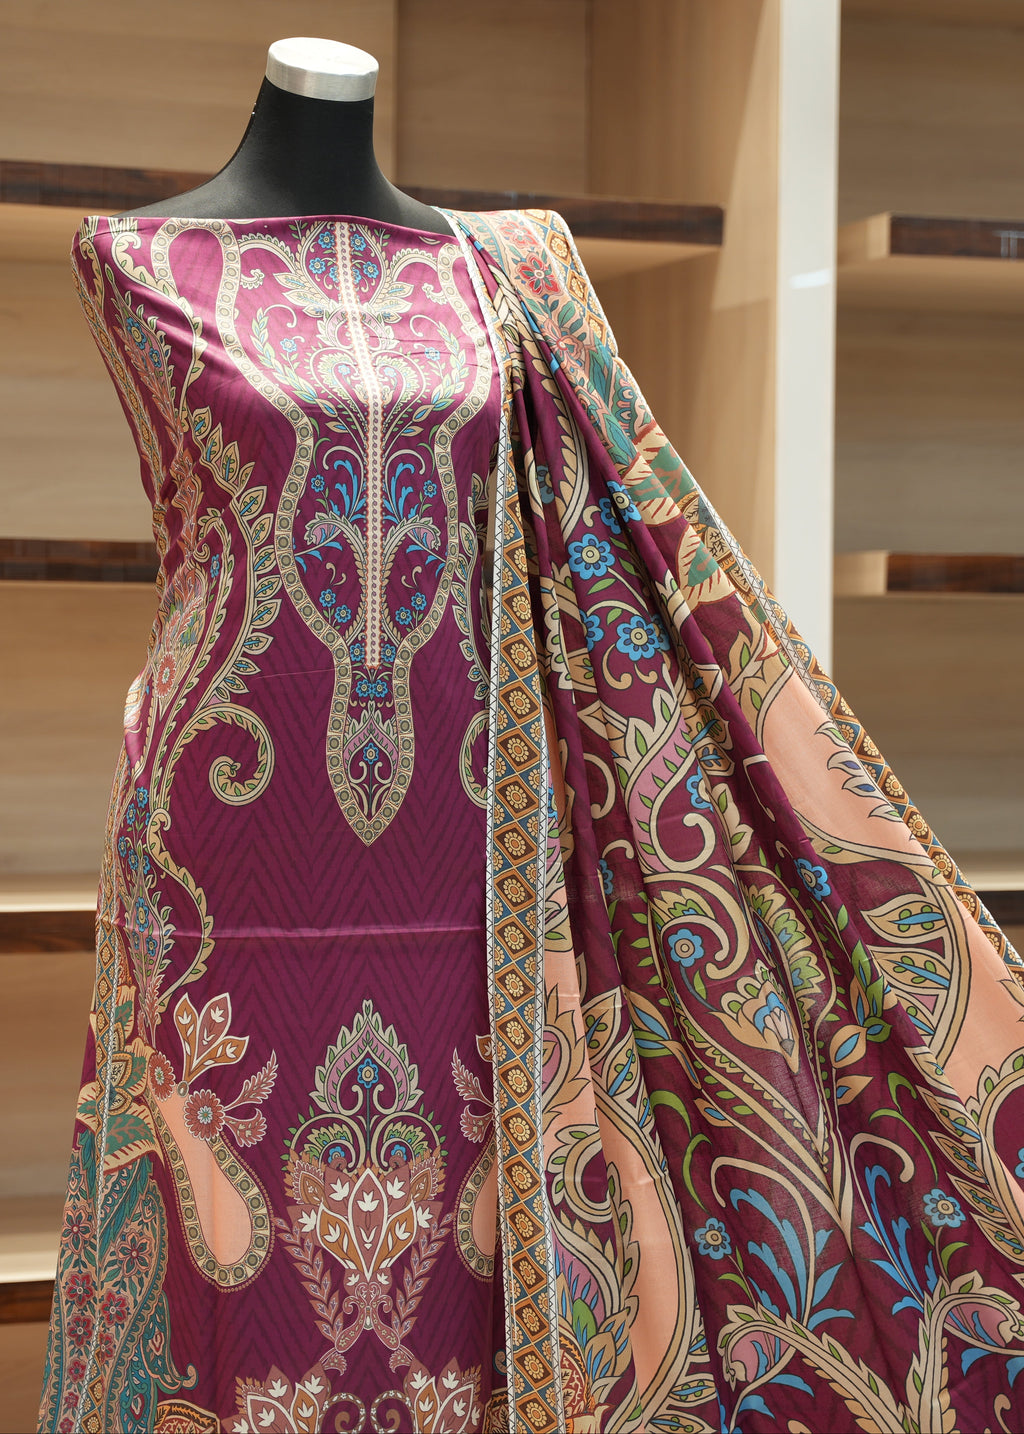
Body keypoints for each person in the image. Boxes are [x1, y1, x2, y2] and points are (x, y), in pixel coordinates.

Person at [40, 36, 1024, 1434]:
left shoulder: (504, 274)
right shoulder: (132, 257)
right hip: (223, 880)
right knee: (227, 1272)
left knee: (466, 1281)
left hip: (475, 863)